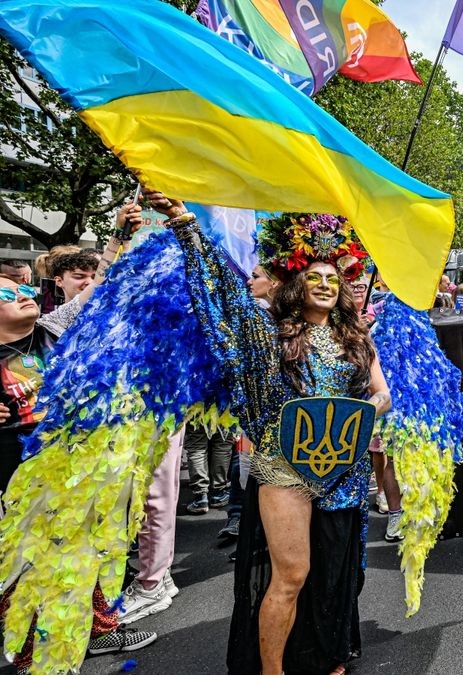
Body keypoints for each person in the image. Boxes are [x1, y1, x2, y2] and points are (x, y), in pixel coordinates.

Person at [154, 196, 393, 675]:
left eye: (333, 279)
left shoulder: (357, 338)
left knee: (335, 572)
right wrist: (185, 223)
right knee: (292, 574)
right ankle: (272, 670)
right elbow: (223, 293)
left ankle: (325, 654)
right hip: (285, 467)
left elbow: (381, 392)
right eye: (314, 277)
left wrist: (366, 409)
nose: (324, 285)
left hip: (344, 469)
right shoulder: (269, 334)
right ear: (296, 285)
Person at [0, 202, 158, 667]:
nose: (22, 294)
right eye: (7, 293)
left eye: (24, 287)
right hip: (15, 486)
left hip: (73, 472)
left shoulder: (52, 330)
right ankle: (31, 656)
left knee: (84, 553)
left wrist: (119, 237)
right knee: (27, 570)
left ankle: (96, 632)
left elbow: (99, 289)